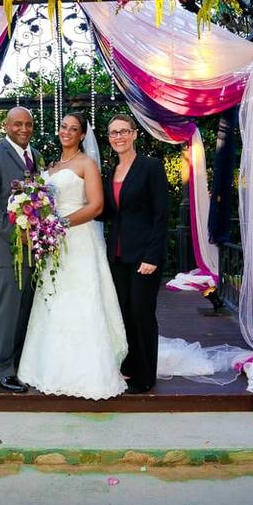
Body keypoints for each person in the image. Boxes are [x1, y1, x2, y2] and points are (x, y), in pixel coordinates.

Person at [17, 112, 128, 399]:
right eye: (63, 126)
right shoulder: (50, 166)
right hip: (53, 244)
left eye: (74, 128)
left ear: (82, 135)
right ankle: (48, 366)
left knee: (81, 299)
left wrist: (60, 224)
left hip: (79, 240)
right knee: (54, 299)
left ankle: (90, 369)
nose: (66, 131)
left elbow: (96, 205)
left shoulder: (86, 164)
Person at [0, 107, 42, 392]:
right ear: (6, 126)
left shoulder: (35, 156)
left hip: (31, 251)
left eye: (28, 124)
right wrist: (17, 236)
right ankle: (0, 370)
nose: (23, 129)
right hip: (5, 252)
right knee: (6, 314)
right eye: (17, 124)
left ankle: (16, 365)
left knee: (24, 312)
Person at [101, 114, 169, 394]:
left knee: (142, 314)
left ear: (134, 134)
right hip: (117, 255)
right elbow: (106, 212)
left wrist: (152, 257)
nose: (118, 137)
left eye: (123, 131)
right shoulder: (110, 172)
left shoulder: (150, 167)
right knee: (125, 312)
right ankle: (129, 366)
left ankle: (146, 374)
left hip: (144, 256)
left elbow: (160, 215)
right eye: (113, 133)